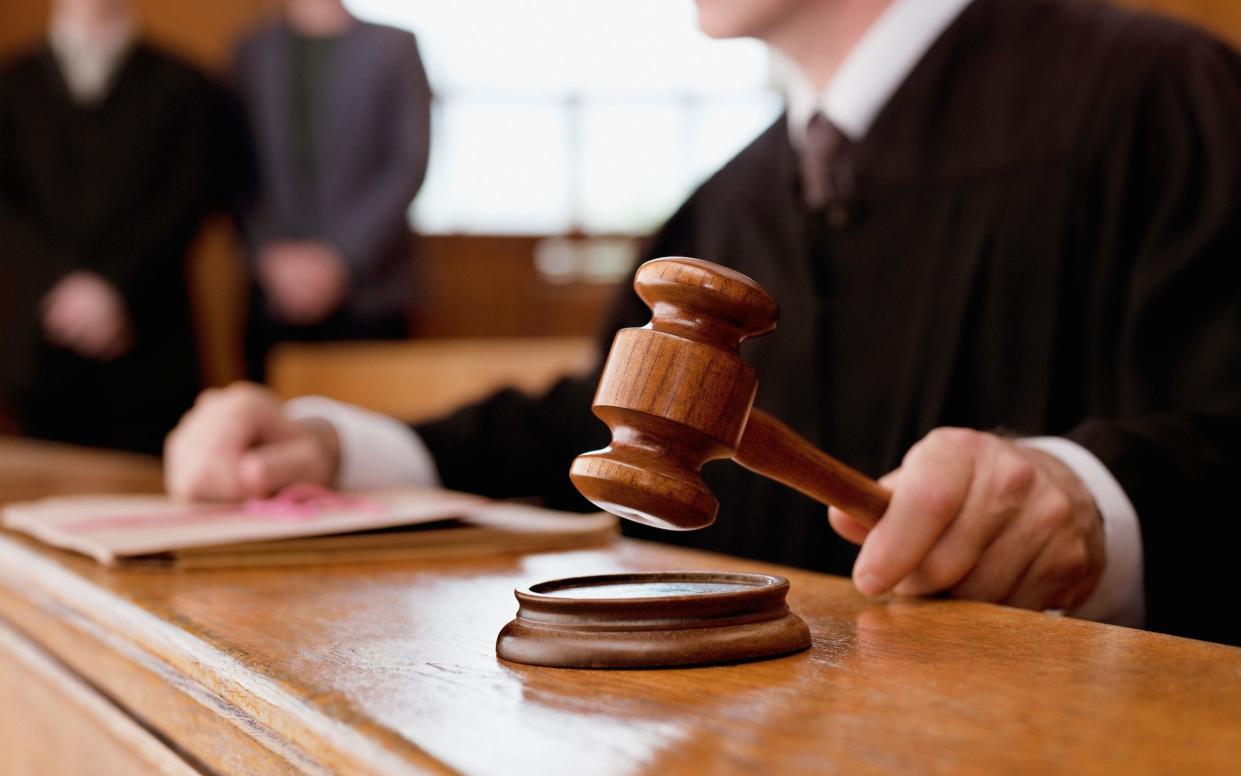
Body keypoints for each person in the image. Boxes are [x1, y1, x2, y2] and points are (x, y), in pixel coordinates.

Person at [165, 0, 1241, 646]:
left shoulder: (1160, 98)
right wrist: (333, 445)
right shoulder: (726, 202)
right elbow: (603, 437)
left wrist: (1095, 503)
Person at [0, 0, 243, 455]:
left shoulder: (185, 85)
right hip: (41, 339)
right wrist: (63, 283)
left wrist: (114, 286)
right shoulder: (11, 85)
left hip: (153, 343)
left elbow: (190, 197)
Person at [234, 0, 432, 381]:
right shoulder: (252, 51)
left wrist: (338, 258)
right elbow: (234, 166)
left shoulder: (394, 47)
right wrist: (270, 254)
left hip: (372, 292)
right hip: (273, 291)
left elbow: (407, 163)